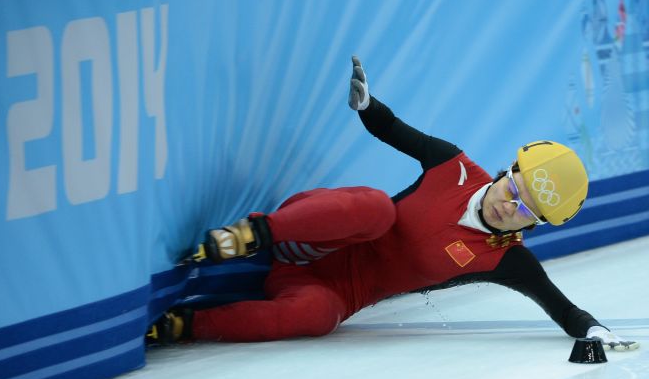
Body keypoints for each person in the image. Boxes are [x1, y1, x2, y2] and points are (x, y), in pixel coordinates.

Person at [148, 56, 639, 352]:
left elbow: (561, 307)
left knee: (320, 317)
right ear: (505, 173)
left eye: (527, 211)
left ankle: (185, 326)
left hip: (333, 289)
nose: (511, 207)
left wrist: (593, 330)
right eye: (515, 191)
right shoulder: (454, 166)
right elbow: (392, 129)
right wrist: (368, 106)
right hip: (313, 234)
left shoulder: (506, 259)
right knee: (379, 210)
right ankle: (251, 235)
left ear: (532, 226)